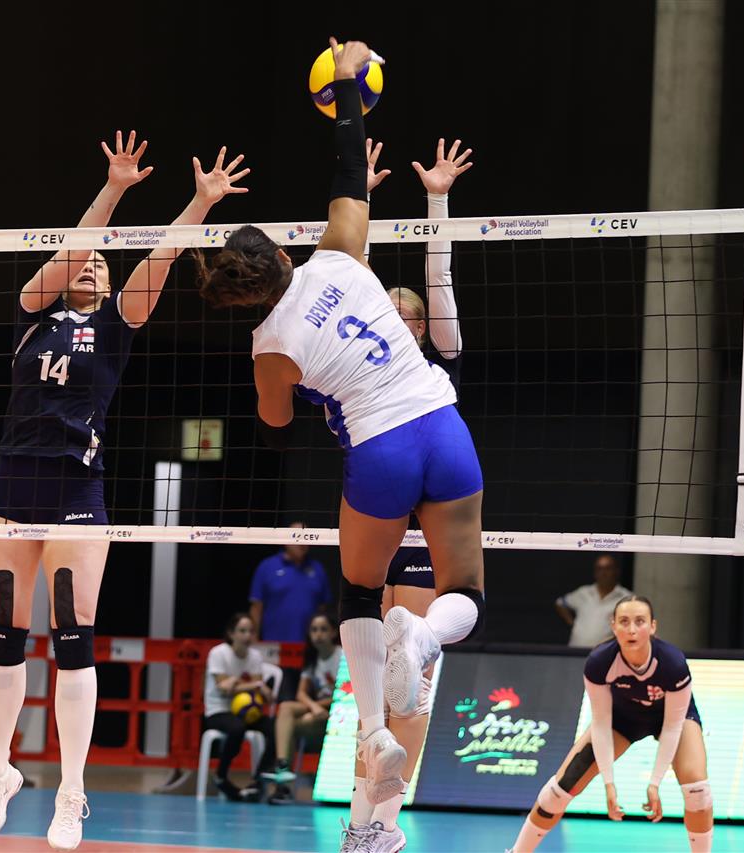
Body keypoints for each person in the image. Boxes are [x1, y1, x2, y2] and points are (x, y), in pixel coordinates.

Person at [196, 37, 485, 812]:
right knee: (465, 590)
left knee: (359, 592)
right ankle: (425, 636)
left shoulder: (269, 346)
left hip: (379, 448)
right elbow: (348, 167)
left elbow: (275, 424)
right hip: (440, 421)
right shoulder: (340, 252)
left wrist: (289, 384)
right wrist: (350, 83)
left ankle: (376, 731)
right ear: (280, 251)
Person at [0, 130, 248, 849]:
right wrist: (114, 189)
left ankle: (71, 792)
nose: (92, 266)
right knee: (3, 638)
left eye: (102, 263)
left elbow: (159, 256)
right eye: (85, 261)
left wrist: (200, 202)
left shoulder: (118, 325)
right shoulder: (31, 313)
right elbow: (74, 246)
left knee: (73, 638)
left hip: (76, 492)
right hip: (11, 487)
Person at [340, 136, 474, 853]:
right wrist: (356, 196)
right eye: (389, 313)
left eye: (410, 316)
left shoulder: (437, 361)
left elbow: (439, 278)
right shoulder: (354, 368)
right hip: (373, 517)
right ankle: (364, 820)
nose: (399, 320)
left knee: (408, 691)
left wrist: (436, 201)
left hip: (422, 530)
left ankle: (381, 825)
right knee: (372, 689)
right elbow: (350, 274)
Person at [510, 595, 713, 852]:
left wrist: (654, 783)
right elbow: (601, 723)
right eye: (624, 621)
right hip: (622, 720)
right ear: (613, 625)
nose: (631, 629)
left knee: (697, 790)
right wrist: (609, 784)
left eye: (640, 621)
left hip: (673, 719)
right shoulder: (600, 662)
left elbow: (672, 727)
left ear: (652, 627)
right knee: (559, 790)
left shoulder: (672, 663)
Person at [265, 611, 341, 804]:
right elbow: (300, 693)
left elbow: (343, 693)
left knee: (288, 726)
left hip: (338, 714)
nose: (318, 634)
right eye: (314, 630)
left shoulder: (342, 656)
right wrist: (314, 707)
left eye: (323, 629)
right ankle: (283, 766)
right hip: (318, 711)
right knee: (286, 708)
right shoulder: (312, 659)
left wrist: (316, 707)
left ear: (333, 632)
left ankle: (283, 786)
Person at [203, 613, 276, 802]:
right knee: (237, 728)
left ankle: (258, 780)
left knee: (275, 728)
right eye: (242, 631)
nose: (247, 636)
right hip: (218, 710)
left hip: (247, 712)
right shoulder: (218, 653)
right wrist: (253, 685)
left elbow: (258, 689)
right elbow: (224, 687)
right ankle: (221, 775)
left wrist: (240, 684)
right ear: (231, 633)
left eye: (251, 631)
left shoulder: (255, 656)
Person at [249, 522, 331, 644]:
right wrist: (253, 639)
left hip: (310, 645)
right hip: (273, 644)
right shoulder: (267, 567)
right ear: (285, 540)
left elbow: (323, 609)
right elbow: (256, 607)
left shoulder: (318, 569)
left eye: (306, 537)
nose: (302, 542)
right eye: (297, 536)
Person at [555, 555, 631, 648]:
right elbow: (560, 603)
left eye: (608, 568)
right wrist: (572, 623)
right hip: (575, 650)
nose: (603, 573)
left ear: (616, 571)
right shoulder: (584, 593)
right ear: (595, 572)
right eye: (599, 569)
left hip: (604, 653)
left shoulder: (626, 597)